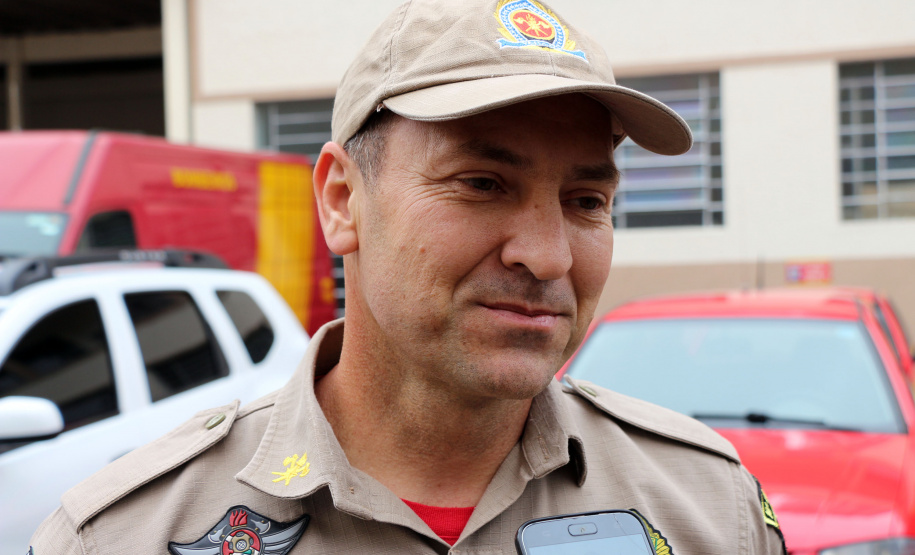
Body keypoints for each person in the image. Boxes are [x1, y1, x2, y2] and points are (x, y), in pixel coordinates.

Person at [30, 0, 786, 553]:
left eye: (585, 201)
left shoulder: (707, 510)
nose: (549, 256)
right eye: (481, 183)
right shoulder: (128, 533)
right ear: (340, 200)